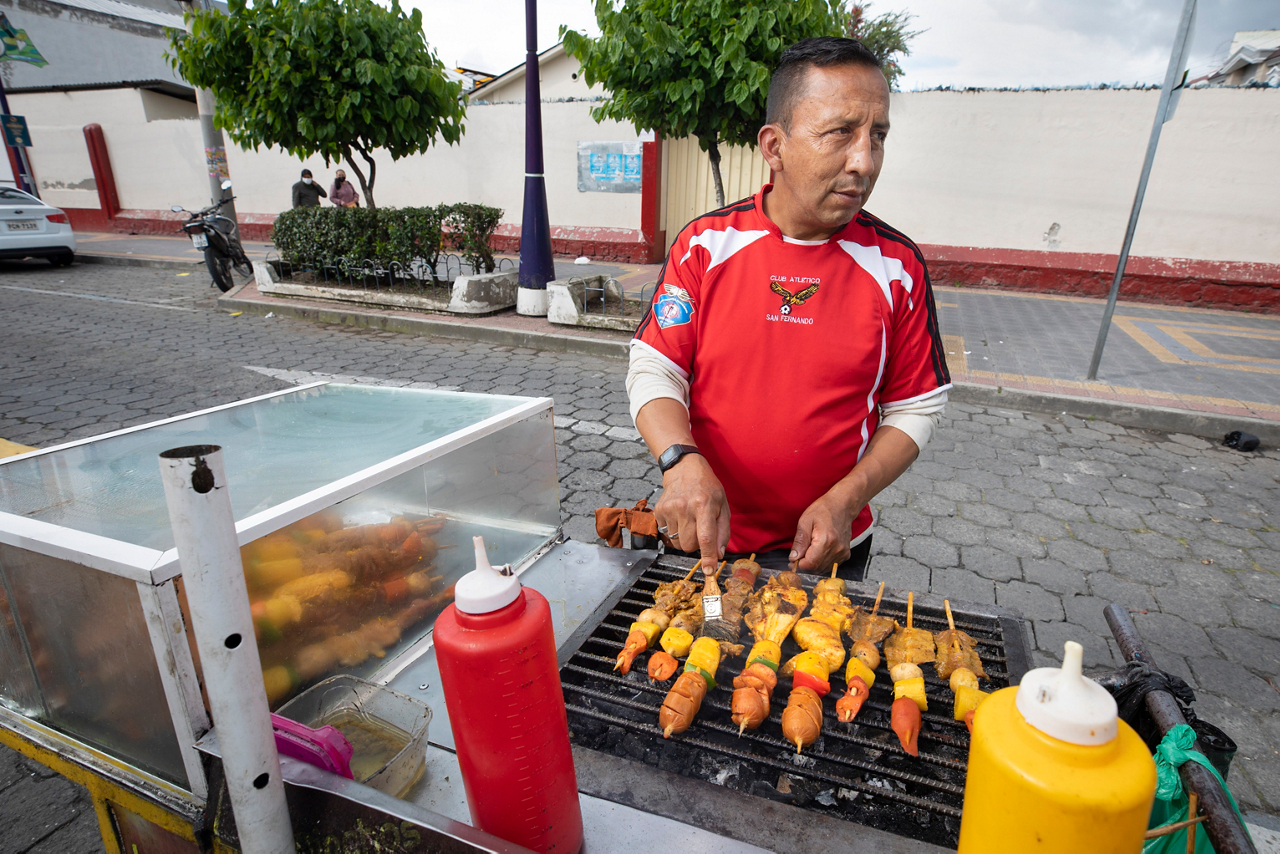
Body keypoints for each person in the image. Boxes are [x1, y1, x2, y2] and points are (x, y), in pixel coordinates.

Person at [627, 37, 951, 581]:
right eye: (840, 133)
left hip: (827, 547)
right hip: (707, 531)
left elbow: (914, 408)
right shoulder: (705, 246)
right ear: (774, 147)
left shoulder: (897, 267)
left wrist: (848, 498)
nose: (864, 161)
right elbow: (656, 367)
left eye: (878, 136)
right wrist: (679, 464)